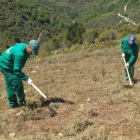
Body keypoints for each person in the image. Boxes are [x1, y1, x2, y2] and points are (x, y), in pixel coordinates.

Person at [0, 40, 39, 108]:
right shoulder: (20, 54)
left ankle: (12, 104)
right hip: (5, 65)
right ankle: (22, 103)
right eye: (32, 51)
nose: (32, 53)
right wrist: (26, 78)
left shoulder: (23, 46)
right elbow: (17, 71)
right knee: (18, 83)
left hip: (9, 63)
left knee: (10, 83)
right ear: (29, 46)